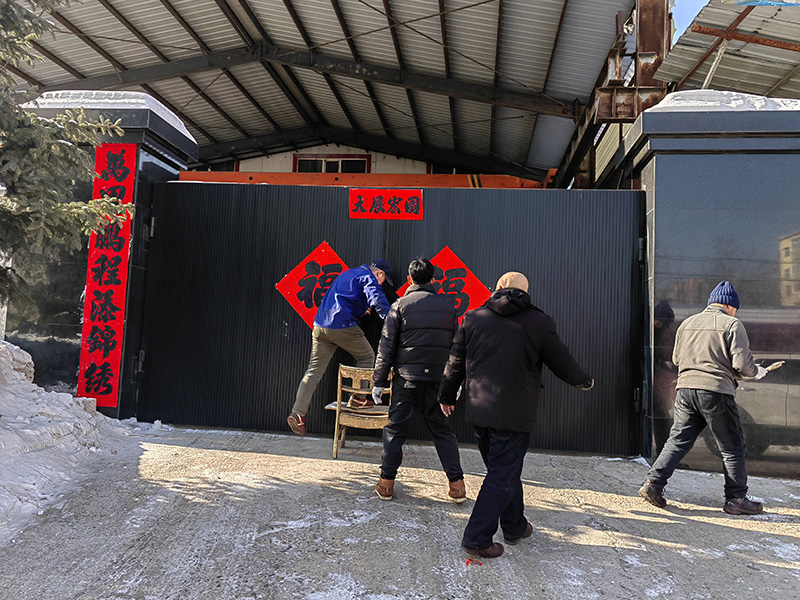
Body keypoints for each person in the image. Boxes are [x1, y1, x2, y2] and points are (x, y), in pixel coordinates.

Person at [438, 271, 594, 559]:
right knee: (502, 473)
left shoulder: (473, 317)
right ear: (526, 293)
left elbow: (455, 361)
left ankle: (514, 526)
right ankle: (477, 537)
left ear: (497, 287)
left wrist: (446, 395)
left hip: (479, 410)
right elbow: (562, 360)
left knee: (504, 469)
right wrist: (583, 381)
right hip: (514, 413)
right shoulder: (539, 322)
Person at [638, 281, 768, 515]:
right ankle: (736, 499)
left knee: (677, 440)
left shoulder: (687, 323)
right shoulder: (732, 324)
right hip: (716, 391)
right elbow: (741, 364)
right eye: (735, 309)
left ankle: (653, 485)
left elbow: (676, 359)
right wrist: (756, 371)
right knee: (732, 446)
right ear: (730, 306)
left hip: (686, 390)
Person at [371, 258, 466, 503]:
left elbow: (386, 347)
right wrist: (455, 383)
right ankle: (457, 486)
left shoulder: (399, 305)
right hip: (438, 382)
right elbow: (457, 350)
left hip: (406, 380)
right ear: (433, 280)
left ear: (409, 280)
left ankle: (386, 485)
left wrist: (378, 382)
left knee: (395, 431)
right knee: (442, 432)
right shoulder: (448, 307)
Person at [287, 260, 394, 436]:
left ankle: (298, 413)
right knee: (367, 356)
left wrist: (361, 308)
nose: (381, 284)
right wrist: (392, 319)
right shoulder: (367, 276)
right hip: (341, 325)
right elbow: (376, 297)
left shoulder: (348, 273)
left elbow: (343, 298)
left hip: (320, 326)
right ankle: (359, 398)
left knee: (313, 370)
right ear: (379, 274)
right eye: (383, 281)